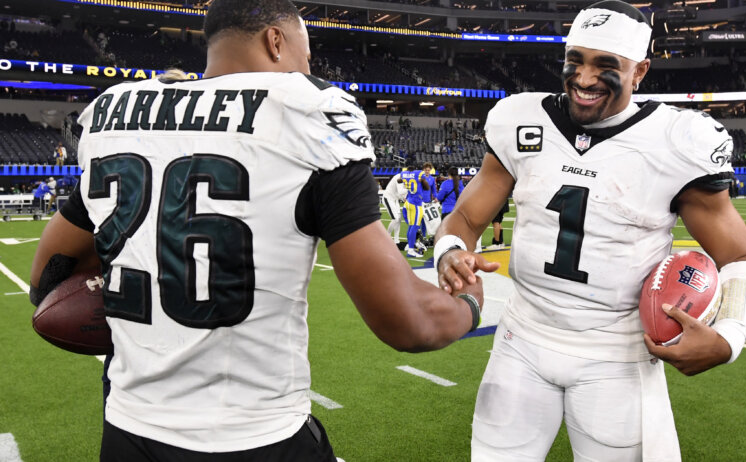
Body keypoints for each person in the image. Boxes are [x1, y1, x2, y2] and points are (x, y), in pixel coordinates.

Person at [29, 0, 486, 459]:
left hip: (128, 430)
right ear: (275, 41)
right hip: (255, 436)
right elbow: (409, 323)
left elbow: (46, 276)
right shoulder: (307, 110)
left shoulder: (115, 110)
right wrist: (469, 304)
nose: (307, 68)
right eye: (305, 55)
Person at [433, 1, 746, 460]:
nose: (585, 79)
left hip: (617, 355)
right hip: (520, 340)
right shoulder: (520, 119)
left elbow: (741, 259)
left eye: (606, 66)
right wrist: (450, 252)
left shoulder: (677, 141)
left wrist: (729, 337)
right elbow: (467, 219)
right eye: (576, 62)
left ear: (640, 71)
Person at [400, 163, 430, 258]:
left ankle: (410, 245)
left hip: (408, 201)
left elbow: (399, 180)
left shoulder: (403, 173)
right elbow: (427, 187)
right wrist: (422, 180)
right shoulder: (419, 173)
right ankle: (411, 250)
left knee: (411, 226)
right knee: (415, 226)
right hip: (416, 203)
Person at [383, 171, 407, 248]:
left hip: (395, 199)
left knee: (399, 219)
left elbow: (400, 193)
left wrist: (404, 197)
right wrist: (410, 189)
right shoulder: (398, 177)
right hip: (388, 198)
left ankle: (396, 240)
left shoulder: (406, 179)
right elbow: (400, 192)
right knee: (395, 218)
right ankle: (387, 237)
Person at [419, 162, 440, 247]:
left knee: (426, 220)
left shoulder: (431, 179)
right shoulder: (420, 178)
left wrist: (436, 197)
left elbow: (434, 190)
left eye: (428, 170)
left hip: (428, 202)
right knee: (419, 220)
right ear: (423, 170)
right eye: (426, 170)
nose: (427, 171)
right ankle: (420, 237)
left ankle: (424, 237)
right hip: (420, 202)